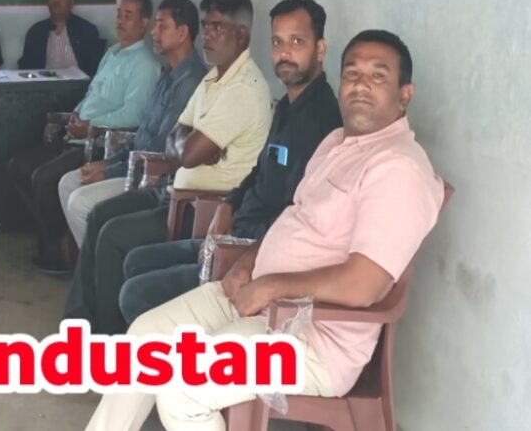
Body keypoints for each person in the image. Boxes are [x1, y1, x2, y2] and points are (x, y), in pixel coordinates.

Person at [84, 30, 443, 431]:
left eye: (378, 75)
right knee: (144, 339)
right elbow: (294, 218)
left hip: (313, 338)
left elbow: (365, 284)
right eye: (352, 73)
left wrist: (271, 287)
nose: (360, 84)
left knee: (184, 387)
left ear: (404, 94)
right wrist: (247, 265)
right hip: (260, 298)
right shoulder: (336, 143)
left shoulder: (398, 169)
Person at [118, 0, 343, 324]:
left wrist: (241, 253)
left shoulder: (322, 123)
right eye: (277, 42)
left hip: (252, 254)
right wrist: (229, 205)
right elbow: (259, 171)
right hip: (232, 231)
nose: (284, 53)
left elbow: (297, 215)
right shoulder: (288, 107)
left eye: (297, 42)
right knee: (136, 261)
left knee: (136, 293)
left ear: (320, 49)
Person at [63, 0, 272, 333]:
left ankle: (107, 337)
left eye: (217, 27)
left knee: (113, 235)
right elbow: (175, 139)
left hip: (200, 207)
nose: (207, 35)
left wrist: (187, 146)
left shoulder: (243, 88)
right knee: (99, 215)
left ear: (241, 34)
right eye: (206, 25)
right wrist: (189, 145)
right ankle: (81, 323)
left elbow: (185, 153)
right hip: (172, 189)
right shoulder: (213, 77)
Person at [9, 0, 162, 275]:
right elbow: (92, 94)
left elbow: (133, 115)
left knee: (44, 178)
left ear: (144, 23)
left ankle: (59, 249)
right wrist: (76, 115)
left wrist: (89, 126)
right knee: (19, 166)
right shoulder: (112, 54)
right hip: (77, 135)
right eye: (119, 14)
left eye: (128, 16)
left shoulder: (145, 64)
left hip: (103, 144)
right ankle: (54, 237)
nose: (120, 21)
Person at [58, 0, 207, 247]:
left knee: (80, 202)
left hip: (152, 178)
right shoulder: (168, 73)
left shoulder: (189, 81)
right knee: (68, 183)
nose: (154, 33)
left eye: (161, 26)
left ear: (182, 33)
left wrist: (109, 171)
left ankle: (95, 264)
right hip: (131, 163)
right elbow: (142, 136)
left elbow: (160, 149)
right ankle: (91, 263)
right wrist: (106, 162)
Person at [17, 0, 105, 76]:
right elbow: (26, 71)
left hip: (78, 85)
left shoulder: (87, 31)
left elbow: (96, 72)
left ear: (72, 1)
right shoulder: (35, 32)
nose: (56, 1)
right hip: (44, 85)